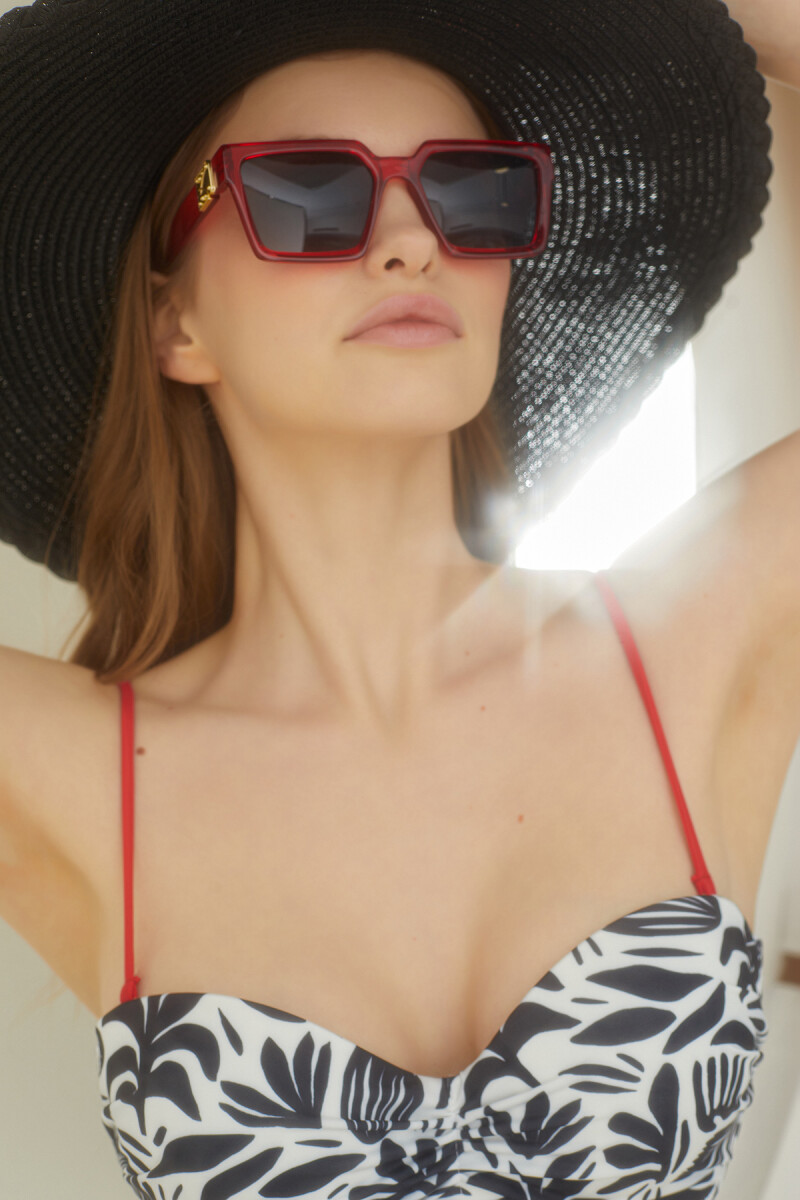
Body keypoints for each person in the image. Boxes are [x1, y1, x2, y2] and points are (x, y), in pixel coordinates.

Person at [0, 0, 795, 1196]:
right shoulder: (61, 769)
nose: (412, 241)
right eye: (307, 195)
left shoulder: (694, 639)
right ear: (174, 320)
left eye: (472, 192)